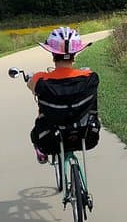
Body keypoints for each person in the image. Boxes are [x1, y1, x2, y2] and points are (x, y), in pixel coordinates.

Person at [27, 26, 91, 162]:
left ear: (52, 54)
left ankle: (41, 152)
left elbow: (31, 86)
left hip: (50, 135)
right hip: (84, 131)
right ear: (75, 54)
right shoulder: (88, 76)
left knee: (34, 133)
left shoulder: (41, 79)